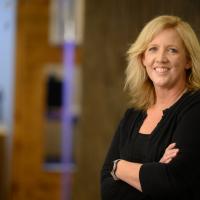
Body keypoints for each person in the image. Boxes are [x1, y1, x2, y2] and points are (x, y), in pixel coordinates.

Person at [100, 15, 200, 200]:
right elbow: (107, 188)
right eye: (153, 49)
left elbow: (172, 181)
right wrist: (153, 172)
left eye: (172, 50)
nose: (161, 58)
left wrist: (119, 167)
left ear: (188, 61)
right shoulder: (132, 115)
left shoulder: (195, 109)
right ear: (143, 59)